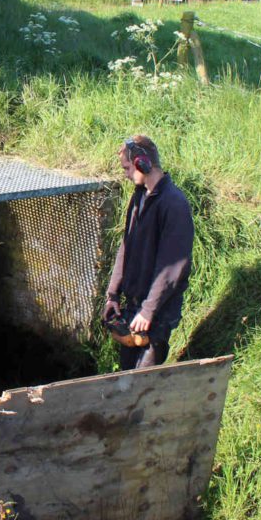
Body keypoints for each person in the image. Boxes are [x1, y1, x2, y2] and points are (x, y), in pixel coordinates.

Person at [101, 135, 195, 371]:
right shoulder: (139, 196)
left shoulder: (174, 205)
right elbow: (127, 245)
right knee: (125, 377)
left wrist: (149, 310)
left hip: (157, 313)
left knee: (144, 384)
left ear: (143, 163)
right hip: (135, 307)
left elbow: (172, 268)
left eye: (126, 168)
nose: (125, 174)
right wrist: (112, 295)